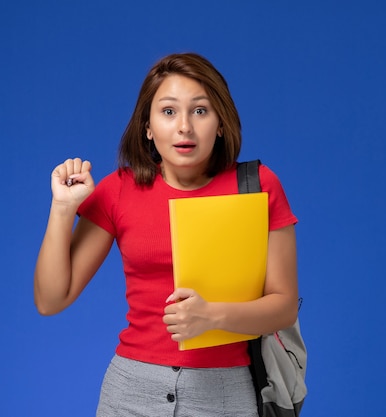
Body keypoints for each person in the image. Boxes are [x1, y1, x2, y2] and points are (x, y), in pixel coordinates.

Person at [34, 52, 299, 417]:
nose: (184, 127)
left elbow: (284, 306)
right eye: (169, 111)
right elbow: (51, 300)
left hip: (223, 394)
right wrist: (62, 209)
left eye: (201, 111)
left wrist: (214, 317)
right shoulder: (119, 190)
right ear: (147, 126)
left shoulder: (257, 187)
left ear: (221, 123)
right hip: (130, 391)